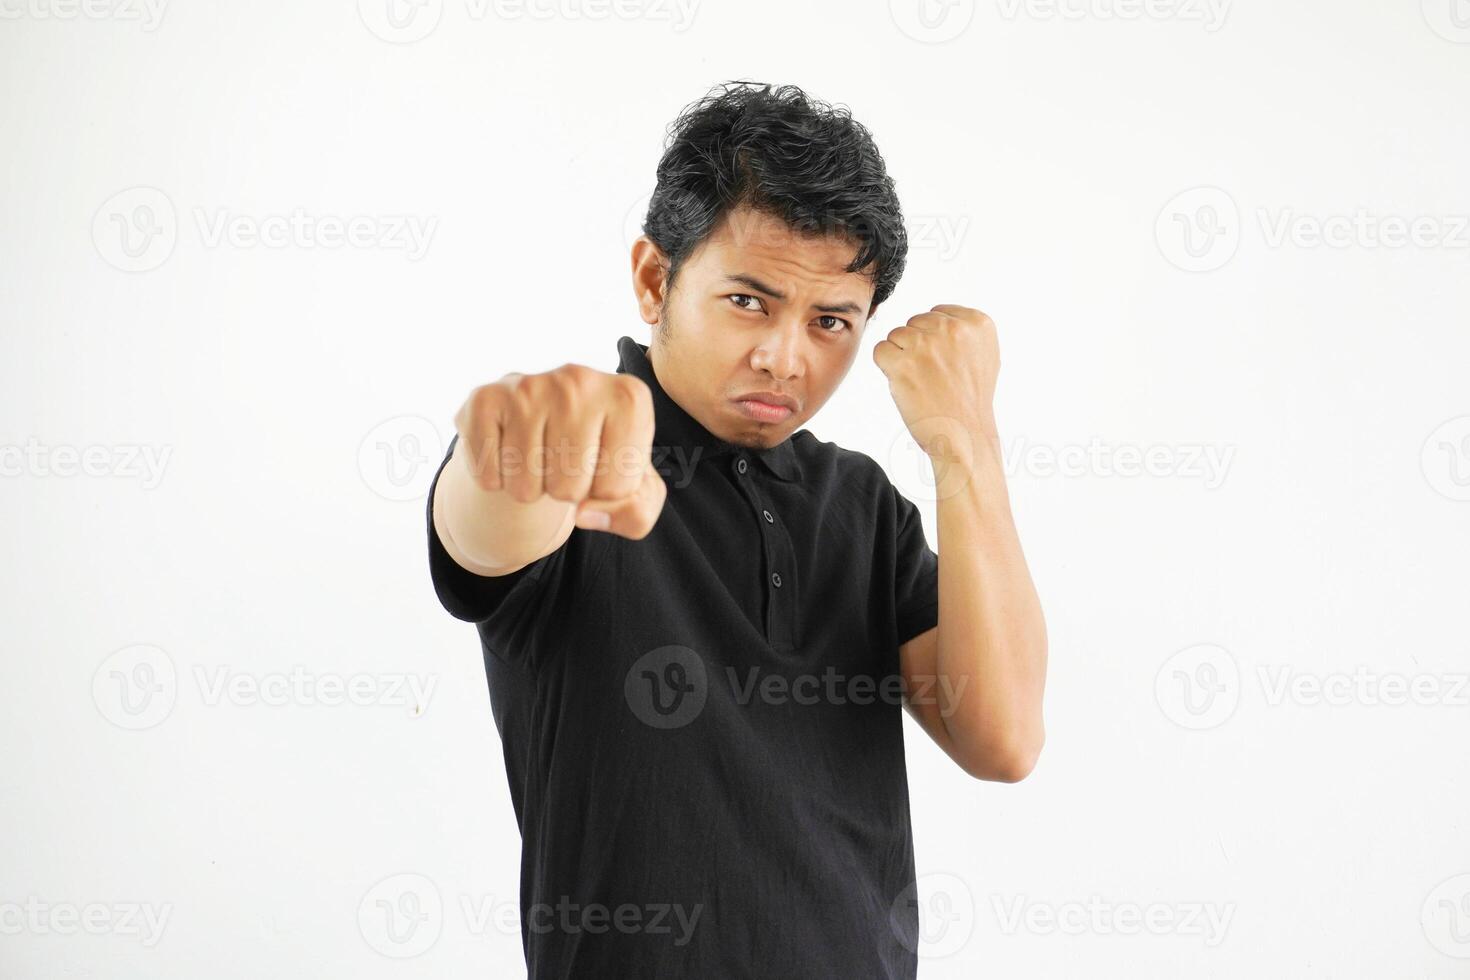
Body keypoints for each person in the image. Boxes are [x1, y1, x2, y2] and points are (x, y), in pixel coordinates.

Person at [426, 80, 1048, 978]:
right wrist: (514, 454)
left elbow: (1006, 739)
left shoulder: (862, 506)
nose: (785, 357)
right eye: (749, 301)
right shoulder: (585, 455)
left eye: (830, 320)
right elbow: (485, 532)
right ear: (655, 278)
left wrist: (969, 449)